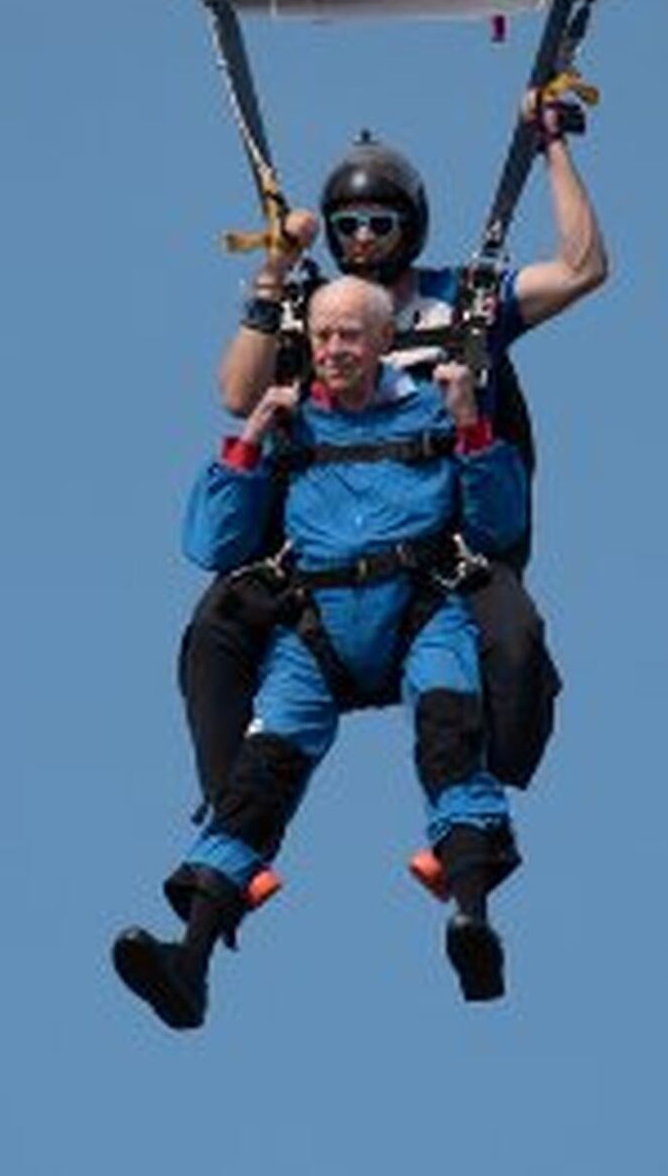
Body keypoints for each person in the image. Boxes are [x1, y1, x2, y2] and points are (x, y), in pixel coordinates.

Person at [113, 278, 529, 1030]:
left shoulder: (436, 407)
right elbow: (210, 544)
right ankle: (191, 961)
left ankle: (473, 920)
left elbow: (499, 527)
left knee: (450, 735)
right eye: (324, 335)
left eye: (350, 336)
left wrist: (470, 426)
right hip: (317, 626)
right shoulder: (291, 420)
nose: (335, 349)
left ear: (380, 342)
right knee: (258, 775)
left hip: (417, 608)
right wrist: (249, 441)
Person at [179, 91, 609, 812]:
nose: (363, 238)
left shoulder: (459, 303)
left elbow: (582, 268)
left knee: (517, 636)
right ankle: (227, 812)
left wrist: (553, 149)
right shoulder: (314, 315)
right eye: (347, 226)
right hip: (324, 550)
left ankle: (487, 786)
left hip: (442, 541)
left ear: (409, 226)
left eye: (381, 222)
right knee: (213, 631)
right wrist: (273, 276)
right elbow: (234, 392)